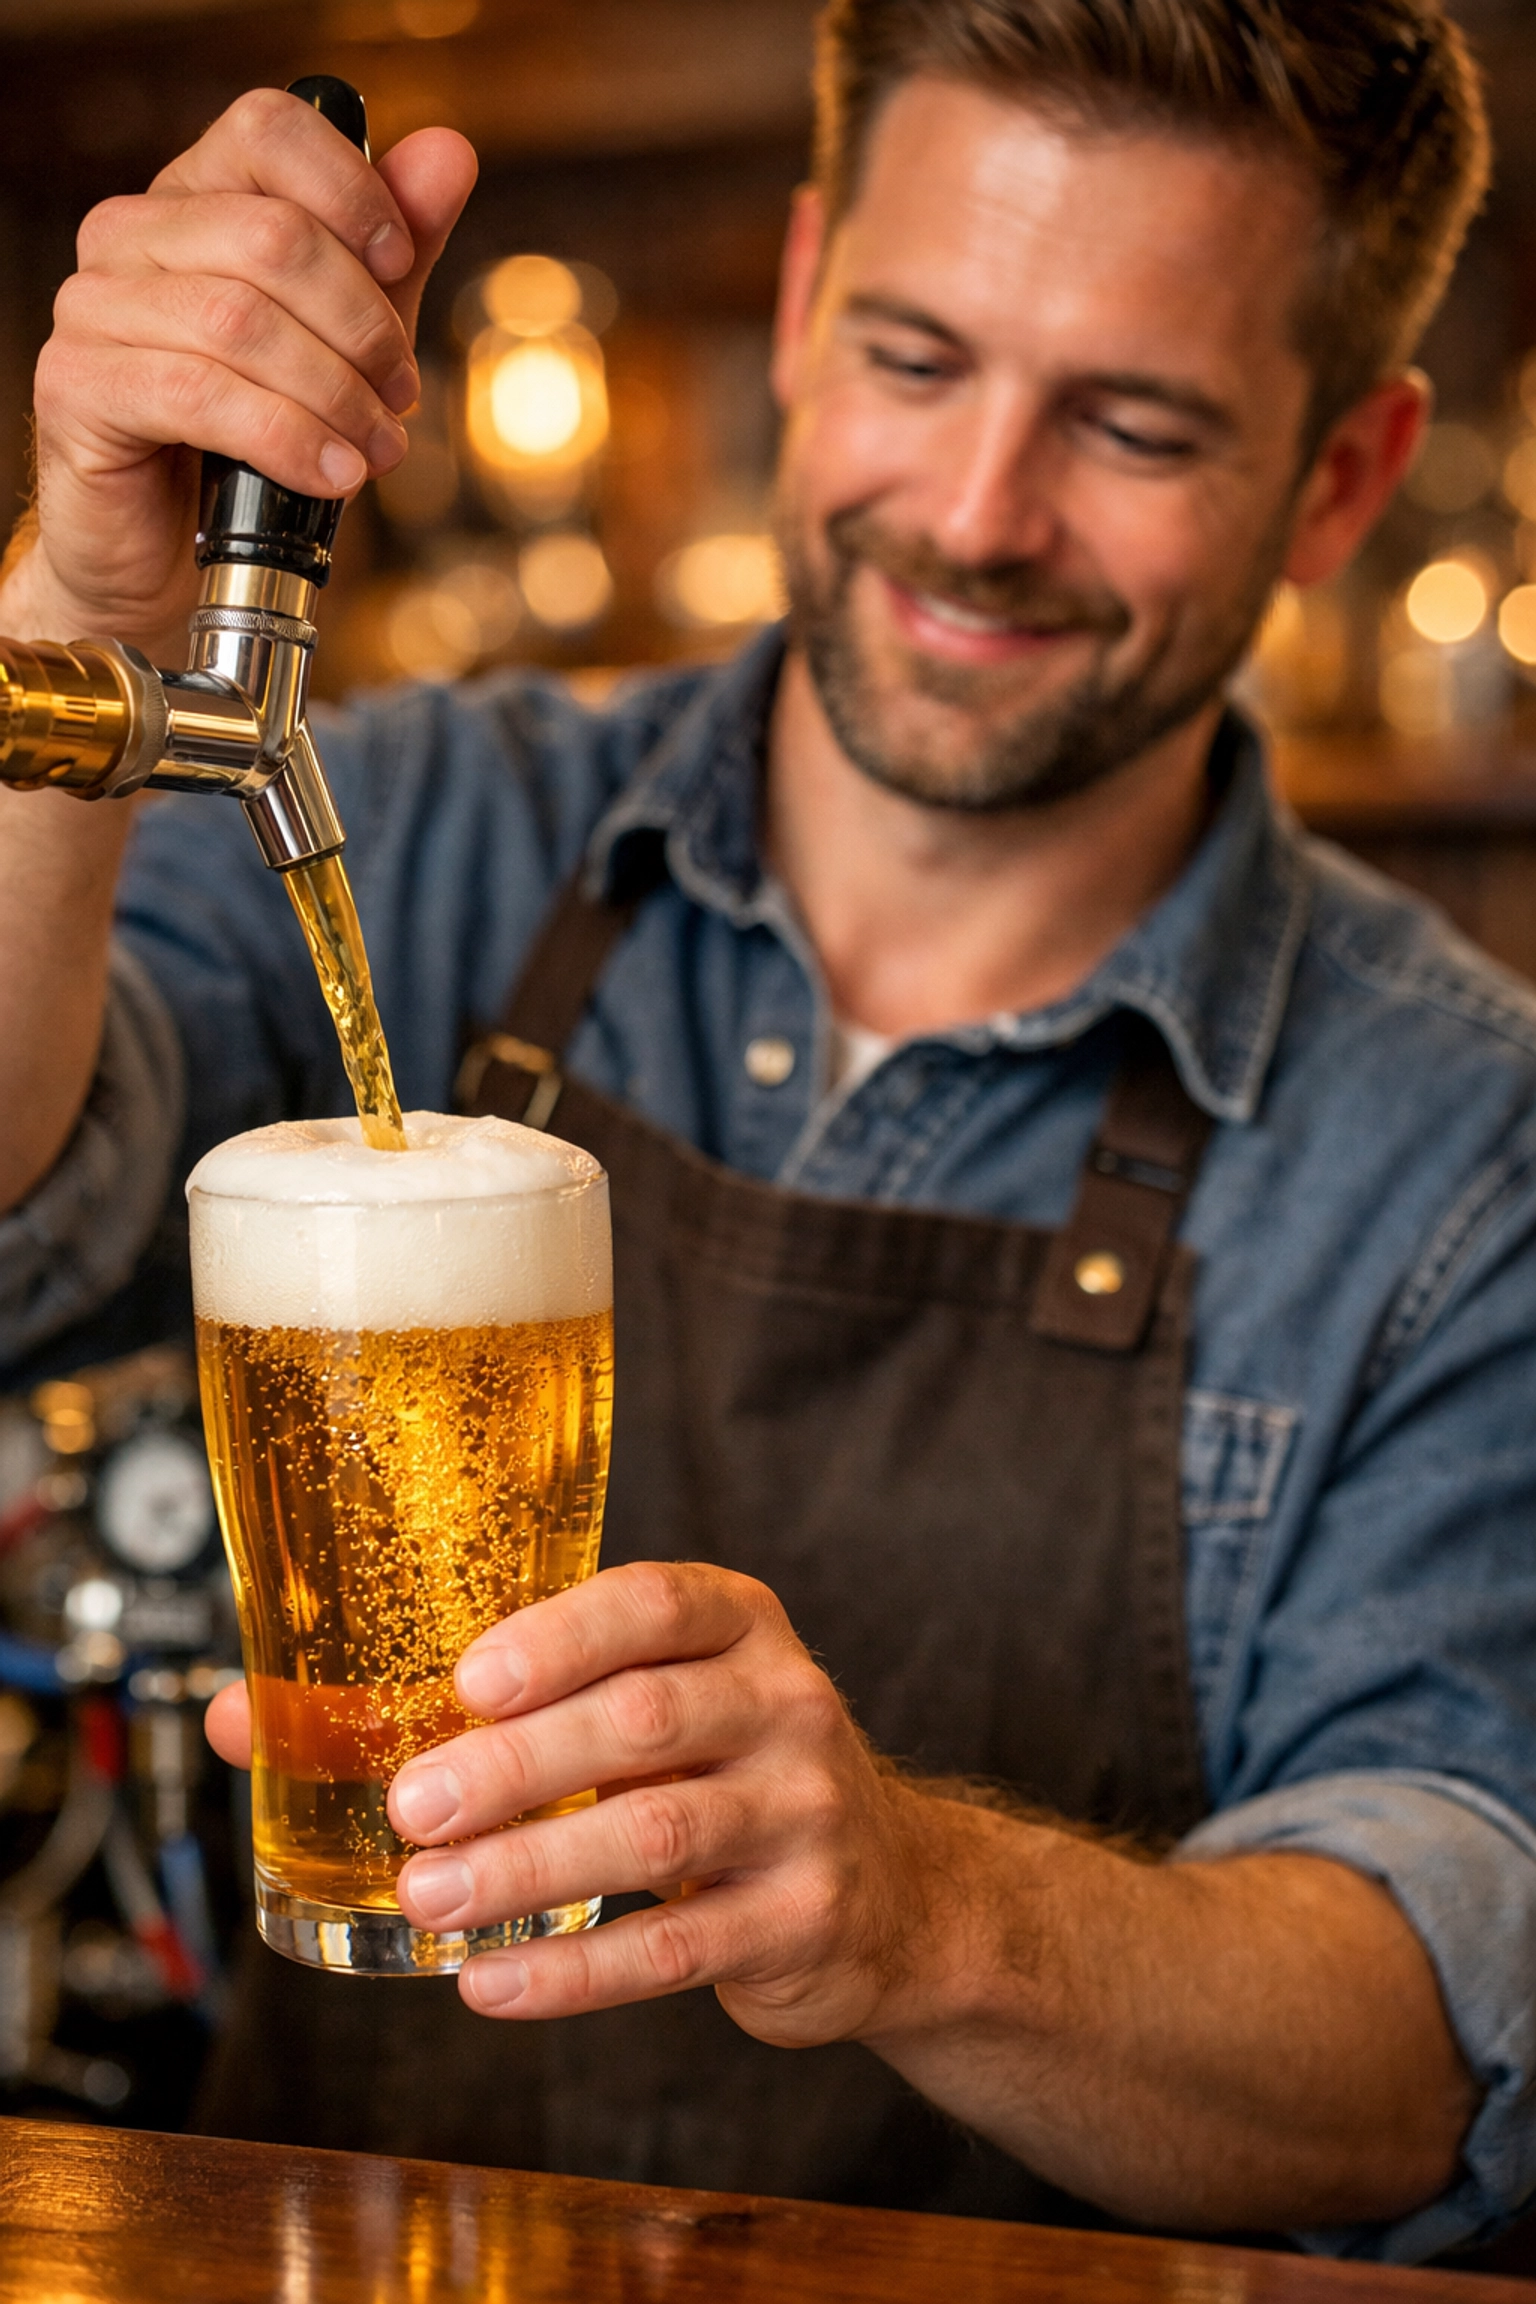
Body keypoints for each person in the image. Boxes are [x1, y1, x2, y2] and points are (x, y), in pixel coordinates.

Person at [0, 0, 1530, 2266]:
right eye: (916, 358)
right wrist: (79, 607)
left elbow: (1439, 2039)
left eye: (1131, 421)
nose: (980, 515)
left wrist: (930, 1910)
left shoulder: (1463, 1152)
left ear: (1341, 473)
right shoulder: (435, 826)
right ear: (806, 300)